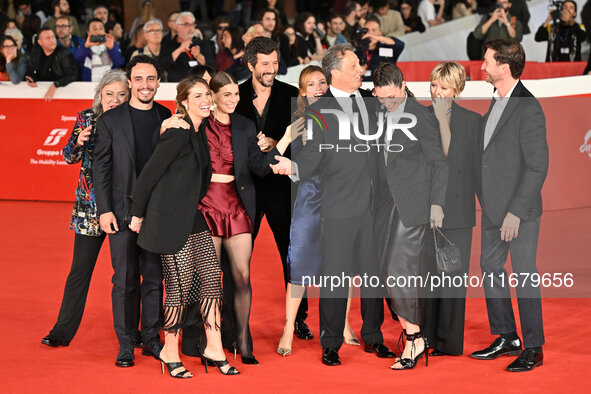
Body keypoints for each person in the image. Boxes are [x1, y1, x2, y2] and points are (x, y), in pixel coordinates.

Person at [270, 44, 395, 366]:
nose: (360, 69)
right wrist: (293, 167)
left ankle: (374, 337)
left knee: (371, 276)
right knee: (335, 277)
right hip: (337, 207)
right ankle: (331, 342)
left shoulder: (371, 103)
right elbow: (312, 157)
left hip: (372, 205)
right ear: (335, 72)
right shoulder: (318, 110)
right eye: (354, 65)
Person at [128, 75, 239, 377]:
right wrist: (137, 215)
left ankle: (214, 346)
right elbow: (148, 176)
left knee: (211, 281)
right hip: (167, 220)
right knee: (179, 287)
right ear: (184, 102)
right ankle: (170, 348)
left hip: (190, 215)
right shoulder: (177, 131)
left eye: (207, 95)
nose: (205, 101)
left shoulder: (198, 130)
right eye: (198, 96)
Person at [197, 71, 299, 365]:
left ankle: (242, 340)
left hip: (237, 206)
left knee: (242, 275)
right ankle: (212, 340)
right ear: (213, 95)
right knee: (210, 281)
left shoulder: (244, 125)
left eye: (236, 94)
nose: (233, 99)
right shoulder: (199, 125)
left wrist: (286, 138)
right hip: (206, 205)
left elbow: (260, 166)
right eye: (226, 94)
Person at [470, 39, 548, 372]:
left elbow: (537, 166)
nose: (481, 66)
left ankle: (533, 346)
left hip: (519, 213)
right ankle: (507, 336)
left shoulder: (528, 107)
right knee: (490, 269)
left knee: (525, 275)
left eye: (486, 61)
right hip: (492, 209)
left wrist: (515, 211)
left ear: (504, 68)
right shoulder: (497, 100)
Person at [234, 36, 314, 348]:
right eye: (265, 63)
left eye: (274, 62)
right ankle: (234, 319)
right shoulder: (235, 96)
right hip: (247, 189)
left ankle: (299, 318)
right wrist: (257, 148)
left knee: (292, 255)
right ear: (250, 64)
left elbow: (305, 142)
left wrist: (278, 145)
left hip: (283, 188)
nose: (271, 68)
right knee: (239, 258)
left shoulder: (292, 94)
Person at [93, 55, 172, 368]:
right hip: (121, 211)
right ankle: (126, 343)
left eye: (150, 79)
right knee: (124, 280)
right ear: (130, 82)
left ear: (157, 81)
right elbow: (101, 168)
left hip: (155, 214)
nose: (145, 85)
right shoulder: (110, 120)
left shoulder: (166, 116)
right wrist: (104, 210)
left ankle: (151, 339)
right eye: (138, 79)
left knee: (153, 279)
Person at [40, 70, 129, 348]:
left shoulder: (132, 120)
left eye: (121, 95)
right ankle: (62, 331)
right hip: (90, 210)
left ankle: (134, 334)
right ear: (99, 95)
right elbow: (68, 156)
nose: (114, 100)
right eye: (109, 94)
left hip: (123, 208)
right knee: (79, 270)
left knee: (126, 274)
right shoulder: (86, 118)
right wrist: (78, 142)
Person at [276, 65, 361, 357]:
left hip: (340, 197)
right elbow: (279, 160)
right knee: (299, 264)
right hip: (309, 199)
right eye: (311, 84)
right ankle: (289, 327)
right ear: (302, 92)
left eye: (322, 82)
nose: (318, 87)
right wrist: (285, 140)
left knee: (343, 267)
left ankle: (345, 324)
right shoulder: (299, 121)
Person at [371, 62, 448, 370]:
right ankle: (413, 334)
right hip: (385, 205)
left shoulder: (421, 116)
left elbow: (439, 164)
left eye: (392, 96)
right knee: (385, 271)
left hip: (414, 205)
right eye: (381, 98)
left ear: (403, 87)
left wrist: (436, 204)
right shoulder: (376, 112)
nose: (387, 103)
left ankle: (414, 338)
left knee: (397, 270)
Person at [422, 62, 482, 357]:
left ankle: (448, 343)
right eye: (433, 85)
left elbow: (476, 171)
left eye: (444, 87)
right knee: (426, 277)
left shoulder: (473, 122)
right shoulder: (417, 117)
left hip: (458, 211)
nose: (437, 92)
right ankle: (425, 337)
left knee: (453, 279)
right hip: (421, 211)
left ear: (457, 90)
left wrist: (492, 210)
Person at [25, 27, 77, 101]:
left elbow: (72, 75)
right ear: (40, 42)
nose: (52, 40)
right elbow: (30, 70)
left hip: (62, 94)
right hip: (39, 94)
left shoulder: (64, 53)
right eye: (48, 38)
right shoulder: (35, 52)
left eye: (53, 37)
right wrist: (30, 78)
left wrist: (55, 85)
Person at [160, 11, 215, 82]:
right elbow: (162, 66)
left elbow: (213, 68)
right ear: (177, 27)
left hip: (200, 84)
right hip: (177, 85)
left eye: (192, 24)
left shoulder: (202, 43)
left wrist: (198, 56)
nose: (191, 28)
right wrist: (179, 50)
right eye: (187, 24)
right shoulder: (168, 43)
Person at [357, 16, 404, 80]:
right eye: (367, 30)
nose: (370, 33)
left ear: (380, 32)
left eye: (374, 30)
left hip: (384, 85)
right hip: (363, 85)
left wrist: (376, 37)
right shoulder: (358, 51)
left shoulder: (387, 47)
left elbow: (400, 45)